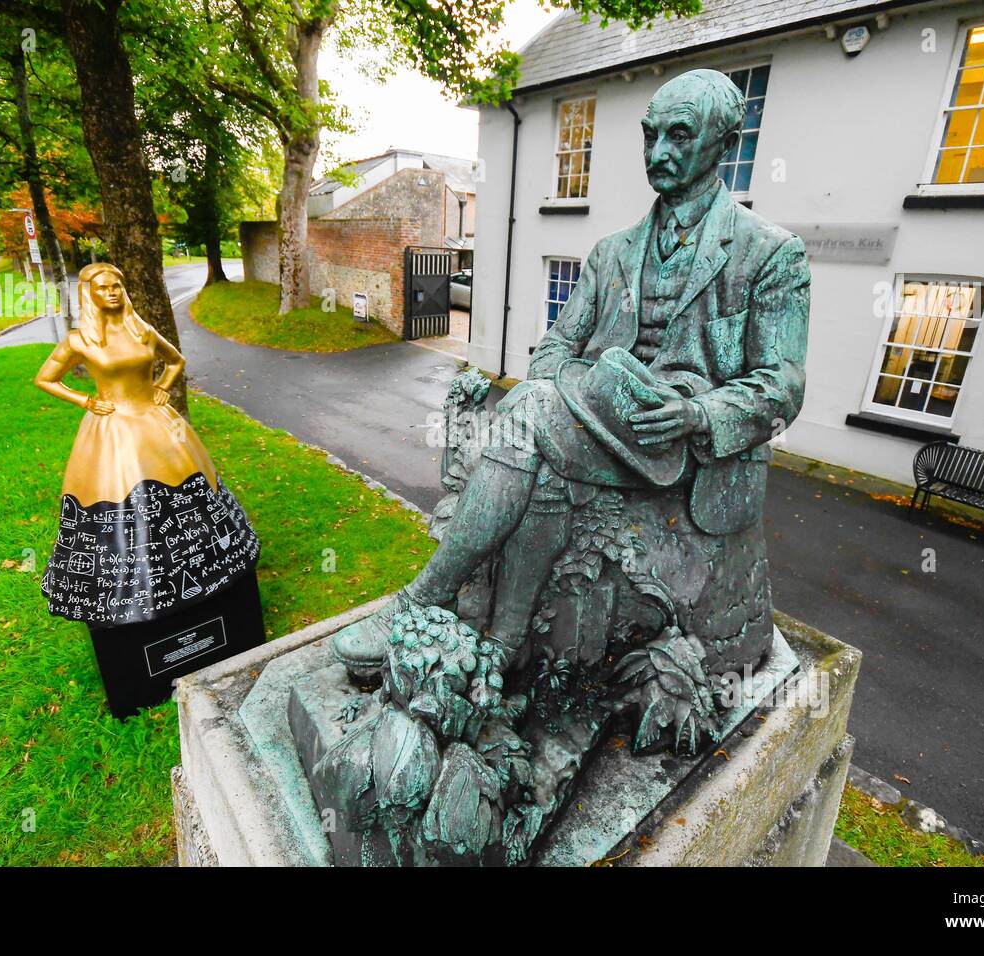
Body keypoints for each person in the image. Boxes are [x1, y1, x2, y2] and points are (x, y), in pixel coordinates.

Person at [332, 69, 810, 680]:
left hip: (691, 449)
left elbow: (783, 387)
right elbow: (552, 352)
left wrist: (699, 414)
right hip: (602, 422)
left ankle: (422, 598)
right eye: (650, 135)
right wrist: (588, 391)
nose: (658, 153)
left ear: (725, 142)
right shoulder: (612, 252)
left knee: (529, 415)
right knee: (539, 424)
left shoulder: (770, 253)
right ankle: (505, 647)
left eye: (679, 136)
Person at [35, 262, 259, 626]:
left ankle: (201, 564)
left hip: (157, 424)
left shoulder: (142, 331)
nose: (112, 292)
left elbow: (175, 360)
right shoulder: (80, 340)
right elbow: (46, 379)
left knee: (185, 489)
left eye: (117, 287)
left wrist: (162, 388)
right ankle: (131, 582)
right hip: (113, 429)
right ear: (89, 294)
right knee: (118, 492)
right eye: (104, 287)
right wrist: (87, 401)